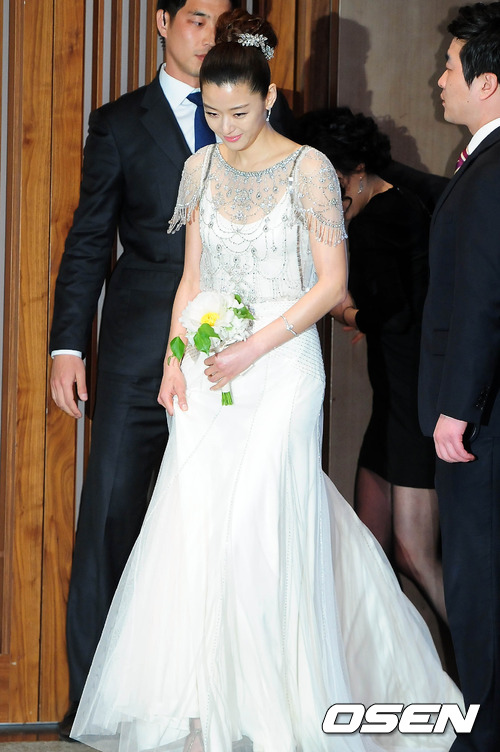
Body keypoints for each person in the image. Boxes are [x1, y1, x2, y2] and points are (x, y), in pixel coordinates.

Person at [71, 10, 461, 752]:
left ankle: (280, 699)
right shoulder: (200, 168)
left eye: (239, 114)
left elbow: (331, 283)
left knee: (263, 524)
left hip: (281, 368)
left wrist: (254, 349)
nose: (225, 129)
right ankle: (210, 701)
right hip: (209, 369)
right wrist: (172, 359)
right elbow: (191, 279)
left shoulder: (309, 168)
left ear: (269, 97)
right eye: (213, 115)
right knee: (204, 530)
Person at [49, 0, 240, 735]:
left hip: (234, 348)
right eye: (196, 19)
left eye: (223, 21)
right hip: (136, 349)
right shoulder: (119, 122)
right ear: (162, 23)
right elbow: (89, 239)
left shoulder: (261, 110)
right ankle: (95, 703)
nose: (210, 35)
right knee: (112, 515)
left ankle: (210, 697)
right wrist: (69, 345)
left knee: (223, 523)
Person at [299, 107, 447, 624]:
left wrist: (347, 312)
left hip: (411, 398)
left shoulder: (377, 221)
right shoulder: (397, 204)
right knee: (371, 546)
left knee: (411, 552)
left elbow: (395, 314)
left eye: (335, 186)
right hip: (398, 394)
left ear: (358, 171)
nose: (330, 201)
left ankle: (481, 664)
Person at [418, 3, 500, 750]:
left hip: (480, 423)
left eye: (449, 67)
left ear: (488, 82)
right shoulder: (483, 163)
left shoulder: (493, 172)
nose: (439, 80)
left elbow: (481, 300)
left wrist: (456, 408)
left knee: (478, 583)